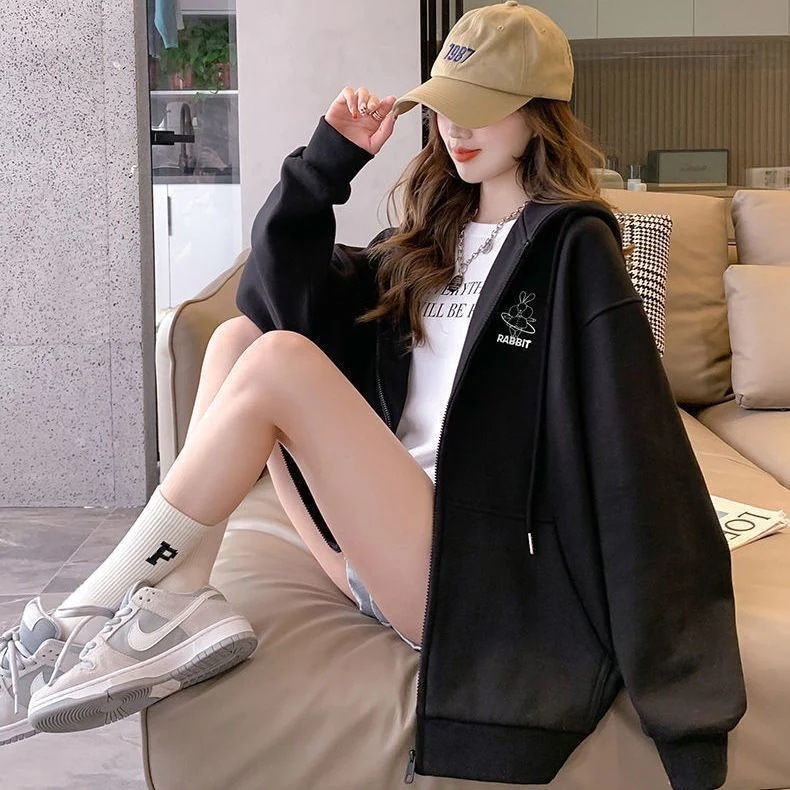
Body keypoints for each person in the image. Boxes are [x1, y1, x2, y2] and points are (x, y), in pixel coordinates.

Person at [1, 2, 746, 788]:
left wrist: (688, 714)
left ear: (539, 114)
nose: (456, 128)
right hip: (367, 545)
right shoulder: (426, 243)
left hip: (465, 576)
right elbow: (272, 296)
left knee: (277, 359)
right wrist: (325, 166)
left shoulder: (572, 247)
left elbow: (639, 452)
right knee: (241, 339)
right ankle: (182, 596)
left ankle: (87, 611)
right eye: (445, 106)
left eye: (482, 108)